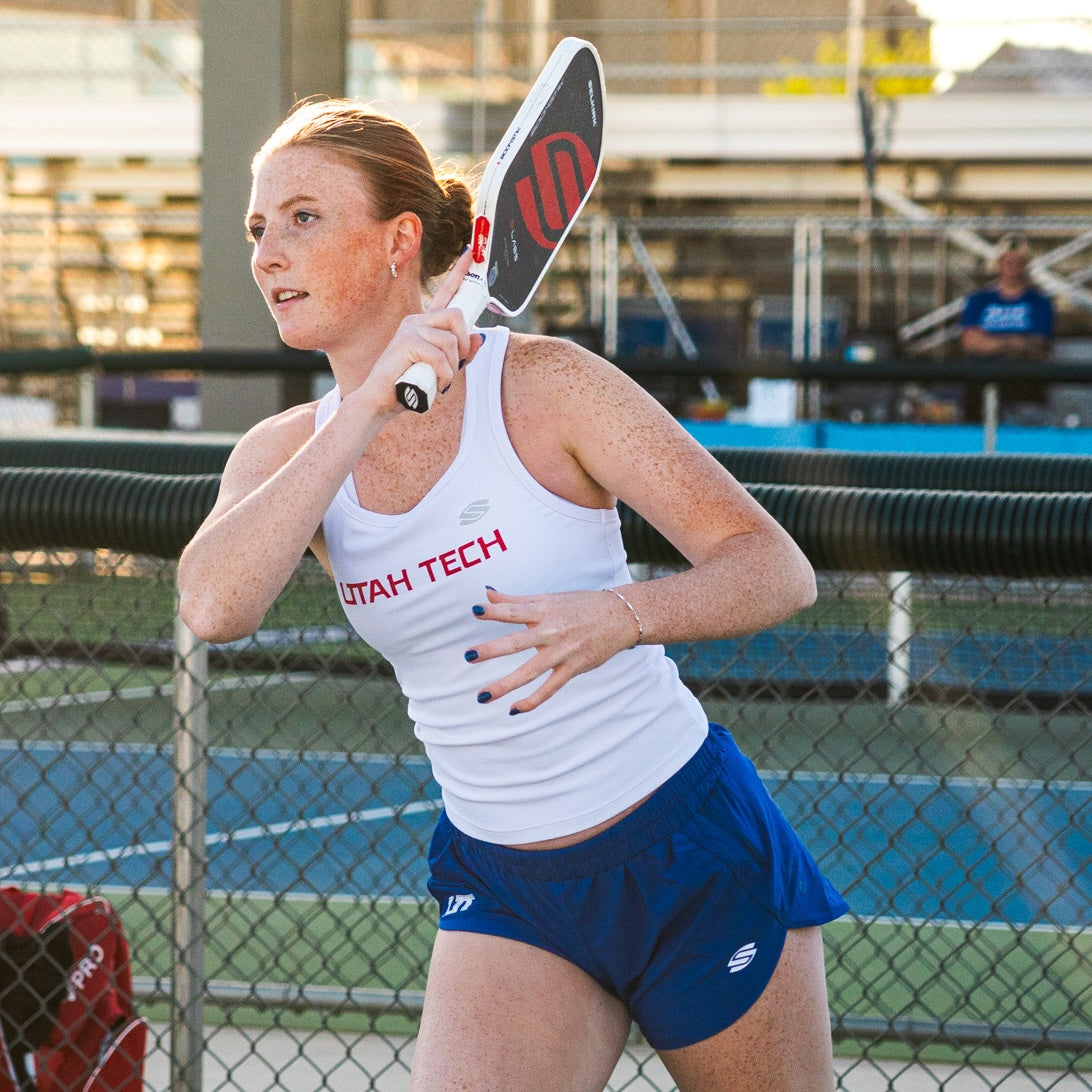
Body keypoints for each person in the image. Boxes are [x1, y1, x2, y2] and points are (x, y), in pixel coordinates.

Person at [177, 98, 848, 1091]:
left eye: (305, 218)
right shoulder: (284, 451)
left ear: (400, 239)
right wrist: (363, 410)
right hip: (507, 883)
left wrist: (622, 617)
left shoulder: (545, 384)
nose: (269, 253)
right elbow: (213, 607)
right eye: (257, 227)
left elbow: (773, 567)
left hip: (684, 847)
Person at [959, 233, 1055, 421]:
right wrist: (1012, 342)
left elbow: (1038, 345)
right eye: (1007, 261)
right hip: (982, 380)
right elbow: (970, 343)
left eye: (1018, 262)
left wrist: (991, 343)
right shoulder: (979, 299)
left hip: (1022, 381)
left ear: (1025, 265)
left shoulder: (1039, 302)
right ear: (999, 264)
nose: (1012, 267)